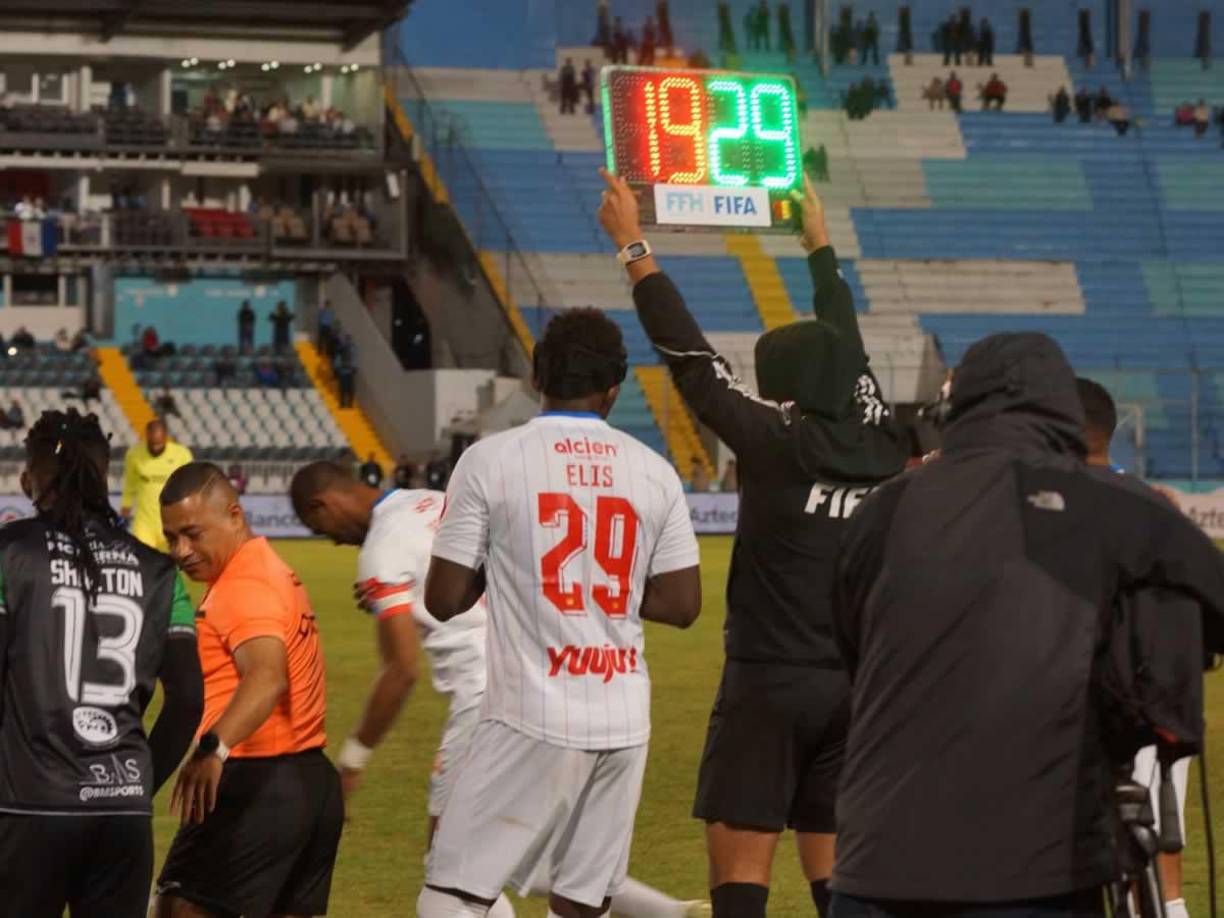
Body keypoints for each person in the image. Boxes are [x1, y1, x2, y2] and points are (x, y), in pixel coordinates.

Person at [596, 168, 908, 918]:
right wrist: (821, 248)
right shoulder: (886, 441)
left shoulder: (778, 441)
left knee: (742, 871)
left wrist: (634, 246)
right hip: (855, 687)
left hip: (769, 681)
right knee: (837, 870)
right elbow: (851, 351)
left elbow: (692, 363)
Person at [830, 334, 1224, 918]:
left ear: (953, 408)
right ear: (1062, 409)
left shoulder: (883, 508)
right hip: (1034, 873)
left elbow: (852, 642)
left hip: (871, 868)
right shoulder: (1111, 503)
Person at [292, 463, 710, 918]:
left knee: (450, 870)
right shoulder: (432, 501)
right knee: (536, 853)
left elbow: (401, 670)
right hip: (549, 680)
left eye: (319, 527)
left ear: (323, 503)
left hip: (485, 700)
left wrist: (352, 762)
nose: (330, 539)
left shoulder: (381, 550)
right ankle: (670, 914)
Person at [417, 305, 702, 918]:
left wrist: (516, 568)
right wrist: (609, 587)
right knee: (579, 901)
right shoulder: (655, 472)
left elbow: (442, 600)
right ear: (614, 389)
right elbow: (683, 604)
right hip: (625, 716)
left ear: (537, 375)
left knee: (449, 895)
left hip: (531, 712)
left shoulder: (490, 460)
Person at [0, 409, 203, 918]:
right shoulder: (161, 572)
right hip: (122, 811)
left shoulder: (9, 553)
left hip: (30, 805)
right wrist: (137, 783)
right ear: (104, 475)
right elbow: (189, 699)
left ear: (30, 479)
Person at [154, 463, 343, 918]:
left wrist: (212, 748)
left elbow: (266, 675)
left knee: (179, 908)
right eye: (171, 538)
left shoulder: (243, 585)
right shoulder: (268, 570)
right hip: (310, 783)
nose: (181, 550)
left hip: (256, 782)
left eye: (193, 534)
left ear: (235, 516)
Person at [1077, 378, 1192, 918]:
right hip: (1160, 694)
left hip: (1106, 701)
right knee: (1156, 842)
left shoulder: (1048, 506)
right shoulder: (1151, 504)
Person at [121, 418, 193, 553]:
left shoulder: (182, 454)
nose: (155, 448)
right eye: (151, 444)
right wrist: (124, 513)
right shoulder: (134, 454)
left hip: (170, 522)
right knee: (141, 559)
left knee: (168, 564)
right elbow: (129, 486)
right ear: (146, 436)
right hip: (144, 523)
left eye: (158, 444)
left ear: (166, 437)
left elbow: (189, 486)